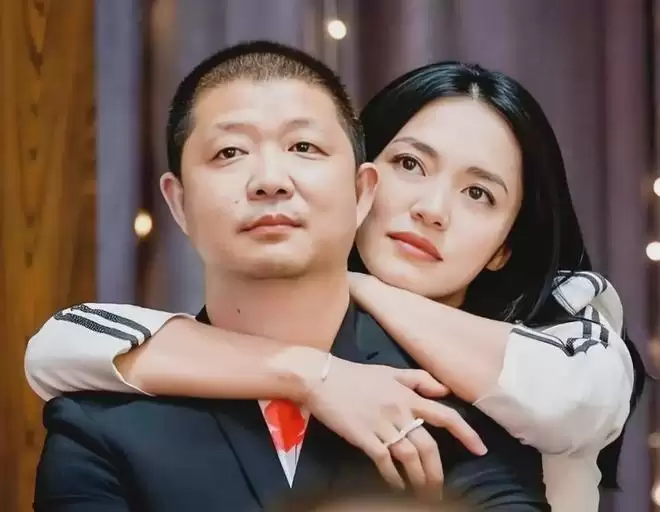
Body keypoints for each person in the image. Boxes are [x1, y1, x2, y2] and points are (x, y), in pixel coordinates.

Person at [27, 50, 644, 511]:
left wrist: (360, 286)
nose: (432, 210)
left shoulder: (518, 378)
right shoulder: (104, 423)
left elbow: (572, 395)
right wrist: (314, 373)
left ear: (355, 189)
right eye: (410, 163)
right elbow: (57, 345)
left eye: (479, 193)